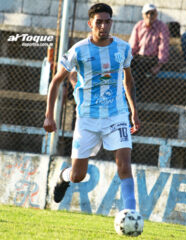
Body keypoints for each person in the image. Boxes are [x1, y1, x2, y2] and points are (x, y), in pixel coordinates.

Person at [43, 3, 141, 210]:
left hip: (117, 115)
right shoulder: (79, 50)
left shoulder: (123, 48)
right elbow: (56, 81)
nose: (103, 26)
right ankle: (64, 177)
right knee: (78, 175)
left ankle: (131, 212)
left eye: (107, 22)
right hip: (87, 118)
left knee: (124, 165)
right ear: (90, 24)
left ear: (111, 23)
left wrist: (133, 111)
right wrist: (49, 116)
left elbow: (128, 81)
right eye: (99, 22)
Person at [129, 3, 170, 77]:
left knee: (139, 69)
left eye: (152, 13)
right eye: (147, 13)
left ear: (156, 15)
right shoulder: (138, 26)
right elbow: (132, 45)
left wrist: (159, 65)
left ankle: (135, 88)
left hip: (153, 59)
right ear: (143, 15)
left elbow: (163, 47)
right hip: (139, 57)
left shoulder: (162, 26)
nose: (149, 16)